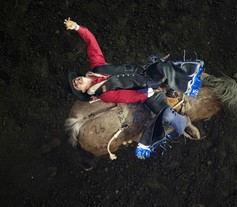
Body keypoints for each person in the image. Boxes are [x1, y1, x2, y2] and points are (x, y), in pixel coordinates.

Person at [64, 18, 204, 166]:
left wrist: (77, 27)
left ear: (82, 76)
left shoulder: (97, 66)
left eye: (76, 80)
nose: (76, 82)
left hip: (145, 73)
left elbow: (91, 42)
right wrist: (149, 92)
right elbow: (127, 97)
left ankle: (186, 81)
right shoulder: (104, 94)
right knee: (167, 115)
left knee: (163, 67)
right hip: (145, 93)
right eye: (76, 86)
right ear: (84, 90)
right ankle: (184, 124)